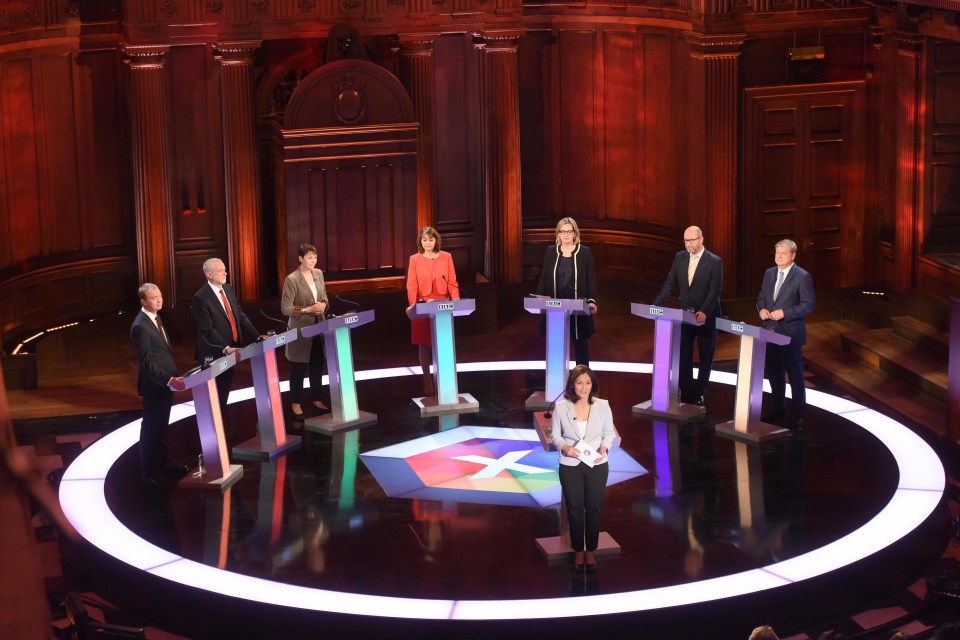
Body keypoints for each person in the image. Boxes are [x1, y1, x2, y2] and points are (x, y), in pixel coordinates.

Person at [551, 364, 616, 572]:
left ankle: (592, 550)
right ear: (572, 384)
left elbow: (609, 433)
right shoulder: (561, 408)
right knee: (576, 509)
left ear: (592, 384)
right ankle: (579, 550)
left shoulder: (603, 406)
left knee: (594, 508)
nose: (584, 387)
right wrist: (564, 447)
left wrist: (605, 448)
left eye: (587, 383)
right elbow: (556, 436)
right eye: (579, 383)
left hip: (596, 464)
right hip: (570, 465)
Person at [653, 225, 723, 406]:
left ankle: (700, 392)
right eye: (685, 240)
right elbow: (670, 283)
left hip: (706, 316)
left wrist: (704, 311)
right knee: (684, 354)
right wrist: (657, 305)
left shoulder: (715, 261)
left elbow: (714, 290)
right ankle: (686, 392)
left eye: (692, 240)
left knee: (706, 355)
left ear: (701, 239)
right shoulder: (679, 257)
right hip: (684, 315)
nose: (688, 244)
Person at [192, 258, 263, 424]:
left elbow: (240, 315)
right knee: (214, 398)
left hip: (230, 352)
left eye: (224, 269)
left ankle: (222, 429)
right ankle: (212, 435)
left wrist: (257, 336)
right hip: (214, 353)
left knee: (223, 394)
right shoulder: (200, 297)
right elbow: (207, 329)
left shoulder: (228, 289)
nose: (225, 273)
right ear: (209, 274)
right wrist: (226, 347)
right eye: (220, 271)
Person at [130, 283, 187, 488]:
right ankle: (149, 473)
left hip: (164, 384)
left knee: (161, 428)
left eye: (160, 296)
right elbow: (147, 362)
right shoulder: (140, 326)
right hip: (155, 385)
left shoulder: (156, 318)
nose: (159, 300)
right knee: (151, 430)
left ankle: (163, 465)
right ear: (143, 301)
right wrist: (168, 379)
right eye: (153, 298)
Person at [757, 239, 816, 430]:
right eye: (777, 253)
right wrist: (761, 309)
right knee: (774, 374)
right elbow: (762, 297)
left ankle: (797, 416)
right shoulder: (769, 273)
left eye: (783, 253)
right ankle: (777, 410)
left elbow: (808, 304)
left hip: (790, 334)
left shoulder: (802, 276)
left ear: (793, 255)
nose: (779, 256)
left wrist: (785, 313)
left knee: (795, 375)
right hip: (769, 332)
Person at [536, 217, 598, 366]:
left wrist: (591, 300)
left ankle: (581, 380)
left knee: (580, 345)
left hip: (577, 308)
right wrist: (540, 298)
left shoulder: (584, 252)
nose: (566, 235)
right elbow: (544, 277)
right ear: (557, 234)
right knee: (556, 345)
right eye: (562, 232)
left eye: (569, 231)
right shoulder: (551, 252)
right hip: (555, 308)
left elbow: (591, 278)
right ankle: (557, 381)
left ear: (575, 233)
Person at [405, 226, 459, 397]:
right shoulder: (414, 259)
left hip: (443, 303)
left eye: (430, 239)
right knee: (424, 344)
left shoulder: (446, 257)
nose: (427, 243)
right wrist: (413, 305)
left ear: (436, 240)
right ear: (420, 242)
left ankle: (444, 379)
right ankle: (427, 380)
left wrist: (456, 301)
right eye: (424, 240)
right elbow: (411, 284)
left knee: (442, 343)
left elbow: (452, 281)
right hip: (422, 305)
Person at [281, 244, 331, 419]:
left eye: (315, 257)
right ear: (300, 258)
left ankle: (316, 399)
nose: (313, 261)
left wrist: (323, 305)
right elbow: (286, 308)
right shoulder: (292, 279)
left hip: (319, 327)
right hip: (300, 331)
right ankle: (295, 403)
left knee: (317, 366)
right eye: (309, 257)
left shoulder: (318, 274)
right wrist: (308, 310)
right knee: (298, 369)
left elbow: (324, 297)